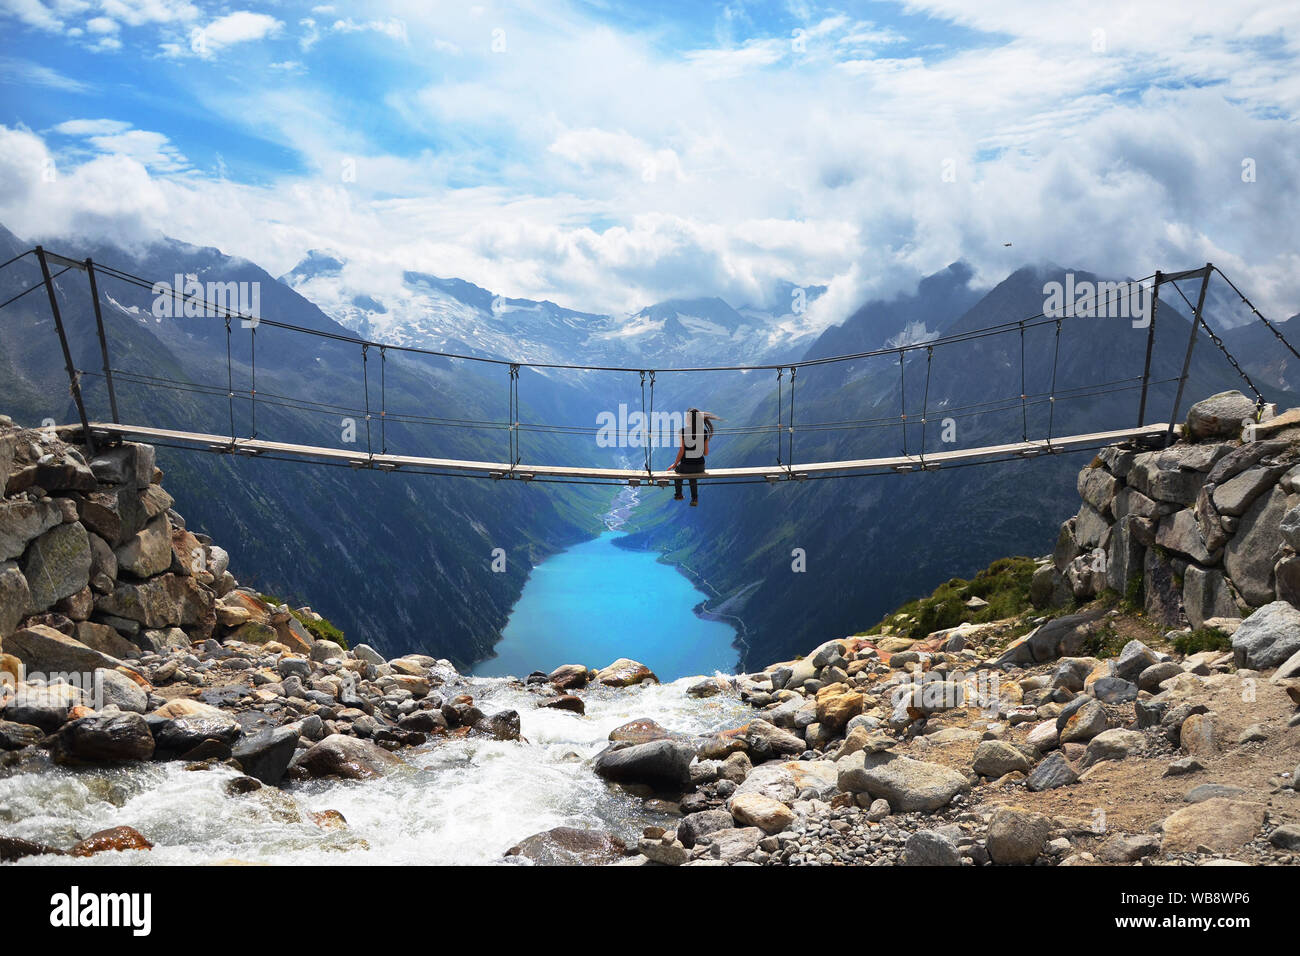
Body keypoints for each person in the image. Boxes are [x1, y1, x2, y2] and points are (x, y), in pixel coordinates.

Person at [667, 408, 718, 506]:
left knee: (678, 472)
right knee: (692, 474)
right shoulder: (704, 432)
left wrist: (675, 464)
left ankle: (679, 494)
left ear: (689, 419)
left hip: (685, 466)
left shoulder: (682, 432)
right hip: (700, 467)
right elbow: (706, 453)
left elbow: (681, 451)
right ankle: (694, 498)